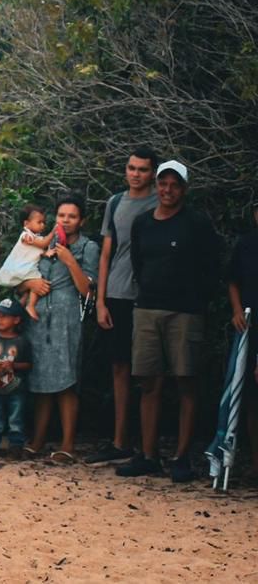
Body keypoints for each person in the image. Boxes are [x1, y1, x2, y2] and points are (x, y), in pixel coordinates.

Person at [118, 161, 218, 482]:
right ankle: (149, 454)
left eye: (174, 185)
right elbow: (138, 262)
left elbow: (211, 266)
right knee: (149, 382)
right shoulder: (143, 223)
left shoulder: (196, 224)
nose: (168, 190)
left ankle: (181, 457)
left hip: (186, 311)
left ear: (184, 189)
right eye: (163, 184)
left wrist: (198, 301)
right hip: (147, 308)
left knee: (186, 381)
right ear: (157, 186)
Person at [86, 148, 159, 465]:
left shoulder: (160, 202)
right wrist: (101, 301)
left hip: (148, 296)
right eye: (131, 168)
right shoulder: (115, 202)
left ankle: (148, 447)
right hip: (117, 292)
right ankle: (119, 441)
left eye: (142, 169)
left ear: (153, 173)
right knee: (119, 367)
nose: (136, 174)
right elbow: (106, 253)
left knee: (148, 372)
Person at [22, 193, 98, 463]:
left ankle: (67, 444)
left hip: (67, 319)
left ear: (82, 221)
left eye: (72, 216)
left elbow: (88, 291)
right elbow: (19, 277)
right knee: (41, 378)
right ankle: (38, 440)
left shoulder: (88, 247)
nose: (66, 221)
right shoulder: (42, 242)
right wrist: (29, 284)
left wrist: (69, 260)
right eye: (61, 215)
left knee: (67, 381)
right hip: (38, 317)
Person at [225, 199, 258, 479]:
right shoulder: (246, 244)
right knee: (250, 395)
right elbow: (232, 279)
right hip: (250, 327)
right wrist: (236, 310)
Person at [0, 298, 33, 458]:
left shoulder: (22, 341)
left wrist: (13, 365)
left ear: (16, 320)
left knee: (15, 419)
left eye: (4, 316)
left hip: (16, 388)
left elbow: (28, 364)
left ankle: (16, 447)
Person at [0, 204, 57, 321]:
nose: (42, 225)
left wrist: (46, 253)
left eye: (43, 222)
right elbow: (43, 244)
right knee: (37, 279)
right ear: (26, 224)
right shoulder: (26, 236)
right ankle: (30, 306)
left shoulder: (35, 237)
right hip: (21, 269)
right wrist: (53, 232)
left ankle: (22, 304)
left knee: (29, 288)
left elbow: (37, 251)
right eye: (39, 222)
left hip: (24, 269)